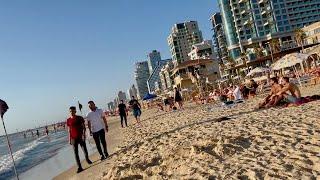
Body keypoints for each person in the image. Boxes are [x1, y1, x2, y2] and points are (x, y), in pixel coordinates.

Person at [66, 106, 92, 173]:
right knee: (76, 153)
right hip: (73, 138)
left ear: (75, 111)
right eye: (70, 111)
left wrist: (84, 134)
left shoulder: (80, 118)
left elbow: (84, 127)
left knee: (84, 150)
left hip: (81, 137)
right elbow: (69, 130)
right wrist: (69, 139)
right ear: (69, 112)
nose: (71, 112)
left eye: (73, 111)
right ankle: (79, 167)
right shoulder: (68, 120)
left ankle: (87, 159)